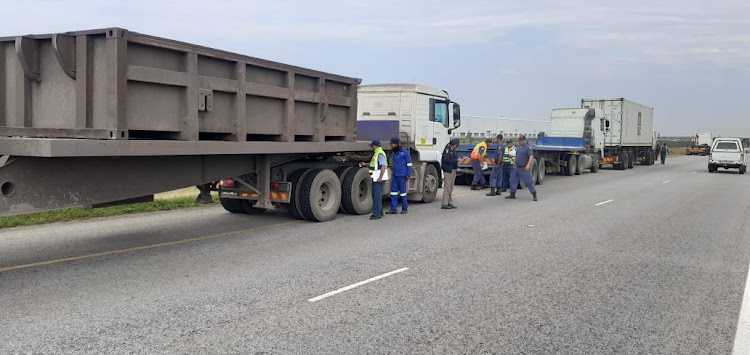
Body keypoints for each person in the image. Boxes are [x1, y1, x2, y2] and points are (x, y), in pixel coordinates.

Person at [360, 140, 388, 220]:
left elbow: (383, 166)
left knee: (376, 196)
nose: (371, 147)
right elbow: (374, 163)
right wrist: (365, 164)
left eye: (372, 146)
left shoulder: (380, 154)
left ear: (375, 146)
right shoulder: (377, 153)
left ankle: (376, 214)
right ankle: (380, 212)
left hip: (378, 177)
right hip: (376, 176)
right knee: (376, 195)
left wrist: (380, 177)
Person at [506, 135, 538, 201]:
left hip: (523, 168)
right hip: (516, 167)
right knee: (513, 180)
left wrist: (528, 165)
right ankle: (512, 193)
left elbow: (531, 156)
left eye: (521, 140)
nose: (520, 141)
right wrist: (514, 162)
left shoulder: (527, 148)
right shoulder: (518, 147)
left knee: (528, 181)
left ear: (524, 141)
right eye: (519, 140)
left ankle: (534, 194)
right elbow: (517, 156)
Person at [387, 137, 412, 215]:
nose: (391, 146)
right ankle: (393, 209)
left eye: (392, 144)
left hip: (402, 175)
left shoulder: (405, 152)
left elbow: (409, 164)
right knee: (393, 192)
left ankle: (404, 208)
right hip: (395, 174)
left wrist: (408, 174)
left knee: (403, 193)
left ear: (396, 144)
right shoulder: (394, 152)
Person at [441, 138, 459, 209]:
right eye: (456, 145)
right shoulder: (448, 149)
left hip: (452, 169)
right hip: (448, 170)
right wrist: (456, 160)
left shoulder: (452, 150)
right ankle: (445, 203)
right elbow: (446, 159)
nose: (456, 147)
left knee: (451, 187)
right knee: (447, 187)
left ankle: (449, 202)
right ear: (454, 145)